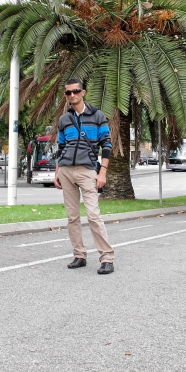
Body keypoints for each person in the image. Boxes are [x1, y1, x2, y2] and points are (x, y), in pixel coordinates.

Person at [54, 79, 115, 275]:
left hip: (87, 170)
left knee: (93, 215)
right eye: (68, 93)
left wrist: (102, 171)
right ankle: (79, 255)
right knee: (72, 217)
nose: (72, 95)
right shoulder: (64, 120)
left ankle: (107, 258)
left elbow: (106, 144)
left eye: (75, 91)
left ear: (83, 92)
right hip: (65, 171)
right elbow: (61, 147)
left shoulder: (97, 116)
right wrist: (57, 172)